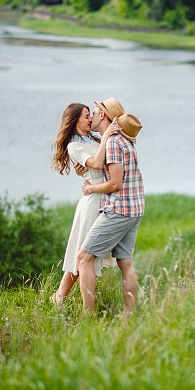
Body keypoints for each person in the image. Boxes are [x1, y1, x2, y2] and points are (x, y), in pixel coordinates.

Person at [76, 98, 144, 317]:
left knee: (83, 258)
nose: (92, 116)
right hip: (134, 209)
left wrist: (91, 188)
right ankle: (128, 315)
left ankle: (89, 315)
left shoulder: (113, 142)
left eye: (95, 112)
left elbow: (115, 183)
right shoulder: (124, 140)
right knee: (126, 263)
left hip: (118, 210)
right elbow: (99, 163)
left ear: (103, 115)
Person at [49, 102, 121, 307]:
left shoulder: (91, 140)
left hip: (102, 196)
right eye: (86, 116)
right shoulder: (75, 145)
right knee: (83, 253)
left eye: (90, 115)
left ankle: (59, 296)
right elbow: (97, 164)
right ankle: (63, 297)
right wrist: (106, 137)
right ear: (75, 121)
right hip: (92, 201)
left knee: (83, 253)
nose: (90, 119)